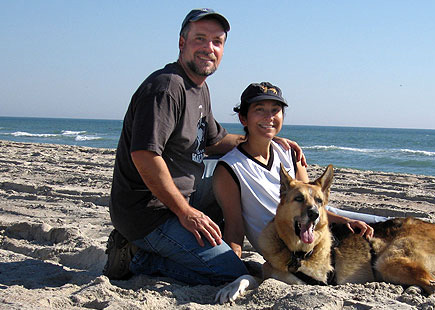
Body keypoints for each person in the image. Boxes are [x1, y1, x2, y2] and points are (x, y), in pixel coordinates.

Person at [104, 9, 304, 286]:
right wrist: (186, 213)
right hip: (148, 214)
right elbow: (145, 156)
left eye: (217, 42)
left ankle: (213, 245)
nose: (209, 48)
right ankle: (137, 256)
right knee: (233, 273)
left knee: (231, 176)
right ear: (182, 43)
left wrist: (265, 137)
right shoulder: (165, 88)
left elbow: (216, 141)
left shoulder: (198, 88)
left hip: (185, 195)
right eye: (200, 39)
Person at [213, 82, 387, 257]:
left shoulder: (288, 152)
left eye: (275, 110)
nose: (269, 117)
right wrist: (233, 267)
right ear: (243, 118)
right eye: (259, 109)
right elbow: (234, 228)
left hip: (318, 222)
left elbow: (311, 205)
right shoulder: (230, 168)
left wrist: (345, 221)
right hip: (291, 244)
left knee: (387, 225)